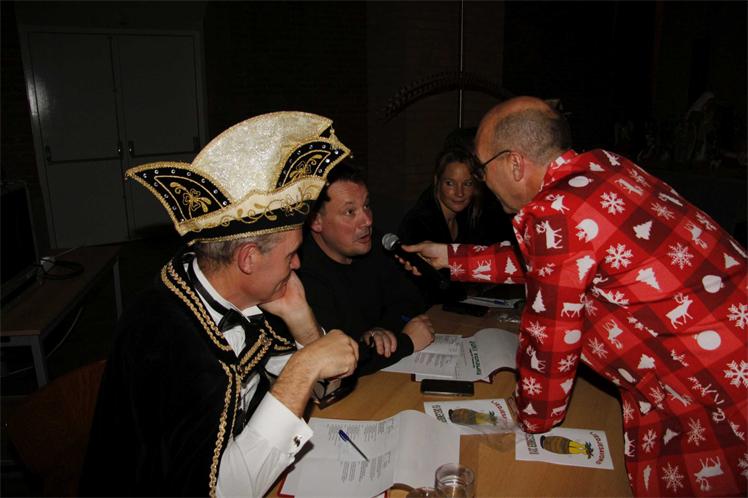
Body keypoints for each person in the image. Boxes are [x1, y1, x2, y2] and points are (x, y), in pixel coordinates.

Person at [403, 97, 747, 497]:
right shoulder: (603, 167)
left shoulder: (557, 215)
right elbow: (553, 262)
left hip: (713, 388)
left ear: (514, 163)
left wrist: (530, 416)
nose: (481, 182)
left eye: (481, 169)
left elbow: (549, 346)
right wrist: (452, 258)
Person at [80, 112, 360, 497]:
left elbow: (325, 392)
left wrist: (303, 323)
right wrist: (303, 366)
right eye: (291, 254)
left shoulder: (245, 296)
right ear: (248, 259)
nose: (297, 264)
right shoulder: (167, 337)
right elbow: (219, 490)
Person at [295, 163, 435, 375]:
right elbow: (334, 363)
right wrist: (405, 342)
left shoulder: (374, 244)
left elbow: (410, 302)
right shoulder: (302, 274)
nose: (367, 220)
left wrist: (381, 331)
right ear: (316, 221)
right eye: (350, 212)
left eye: (367, 206)